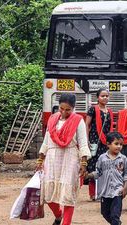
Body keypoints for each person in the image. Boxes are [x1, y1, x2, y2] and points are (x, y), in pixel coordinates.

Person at [36, 93, 90, 225]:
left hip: (70, 158)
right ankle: (58, 215)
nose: (64, 112)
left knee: (67, 195)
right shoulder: (52, 119)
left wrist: (83, 163)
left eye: (68, 109)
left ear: (73, 108)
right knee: (48, 195)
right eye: (61, 108)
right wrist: (40, 159)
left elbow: (83, 143)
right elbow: (46, 141)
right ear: (58, 106)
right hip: (52, 158)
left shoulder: (78, 120)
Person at [86, 132, 127, 225]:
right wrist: (88, 175)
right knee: (104, 213)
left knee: (115, 215)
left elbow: (126, 174)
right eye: (116, 144)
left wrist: (125, 187)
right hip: (105, 191)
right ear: (108, 144)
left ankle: (116, 222)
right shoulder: (102, 158)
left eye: (121, 144)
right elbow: (98, 172)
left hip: (118, 191)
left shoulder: (123, 158)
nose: (119, 146)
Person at [85, 88, 114, 201]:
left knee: (104, 166)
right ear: (98, 97)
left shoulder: (109, 111)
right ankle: (92, 194)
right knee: (93, 166)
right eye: (102, 96)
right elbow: (87, 125)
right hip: (94, 141)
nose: (105, 98)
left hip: (106, 143)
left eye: (107, 96)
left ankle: (102, 192)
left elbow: (111, 127)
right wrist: (87, 140)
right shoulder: (93, 109)